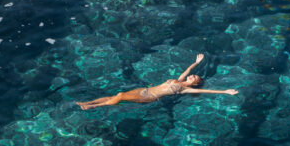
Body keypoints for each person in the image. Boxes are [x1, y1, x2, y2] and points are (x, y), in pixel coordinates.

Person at [76, 53, 238, 110]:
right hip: (144, 90)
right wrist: (196, 63)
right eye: (194, 75)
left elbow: (206, 91)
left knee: (118, 97)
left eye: (195, 78)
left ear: (195, 84)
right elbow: (187, 70)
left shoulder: (185, 90)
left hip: (148, 98)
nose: (193, 76)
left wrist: (225, 91)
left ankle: (93, 106)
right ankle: (89, 102)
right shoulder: (179, 80)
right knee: (118, 94)